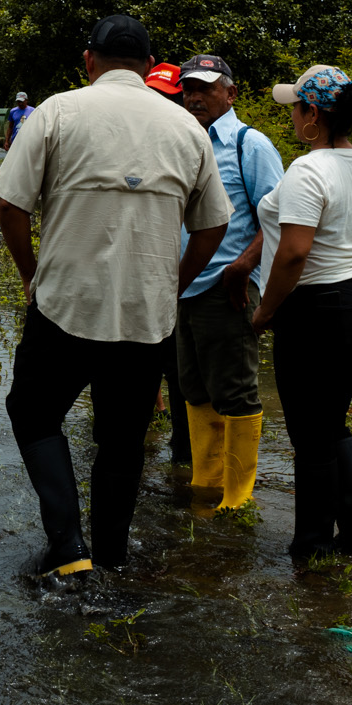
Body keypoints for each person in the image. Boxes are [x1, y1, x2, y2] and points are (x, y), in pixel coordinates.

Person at [0, 15, 231, 582]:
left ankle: (67, 544)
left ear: (88, 61)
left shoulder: (57, 112)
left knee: (33, 412)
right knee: (122, 441)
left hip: (64, 304)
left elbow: (10, 204)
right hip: (145, 314)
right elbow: (213, 225)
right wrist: (173, 284)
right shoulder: (186, 127)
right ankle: (112, 560)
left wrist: (30, 274)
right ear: (149, 66)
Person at [249, 66, 352, 561]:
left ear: (312, 114)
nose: (291, 116)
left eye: (295, 108)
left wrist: (266, 310)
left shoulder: (308, 170)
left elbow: (293, 253)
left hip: (316, 311)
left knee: (310, 434)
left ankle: (310, 549)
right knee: (330, 421)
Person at [175, 55, 286, 511]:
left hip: (227, 288)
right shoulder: (181, 140)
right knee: (194, 388)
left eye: (206, 88)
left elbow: (278, 216)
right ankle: (206, 484)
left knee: (235, 391)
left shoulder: (249, 145)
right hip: (182, 287)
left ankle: (237, 499)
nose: (195, 97)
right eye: (188, 89)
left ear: (231, 93)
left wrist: (243, 266)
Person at [142, 61, 191, 464]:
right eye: (153, 95)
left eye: (168, 97)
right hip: (140, 272)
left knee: (179, 370)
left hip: (182, 278)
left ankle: (183, 452)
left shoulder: (190, 143)